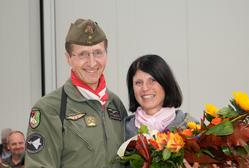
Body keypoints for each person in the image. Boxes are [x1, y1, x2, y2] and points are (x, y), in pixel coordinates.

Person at [25, 18, 128, 168]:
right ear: (68, 58)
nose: (92, 63)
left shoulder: (116, 104)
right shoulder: (50, 108)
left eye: (98, 53)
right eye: (83, 55)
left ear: (106, 54)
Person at [124, 54, 198, 167]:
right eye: (138, 82)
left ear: (165, 83)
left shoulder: (192, 128)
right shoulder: (123, 131)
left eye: (152, 80)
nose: (145, 88)